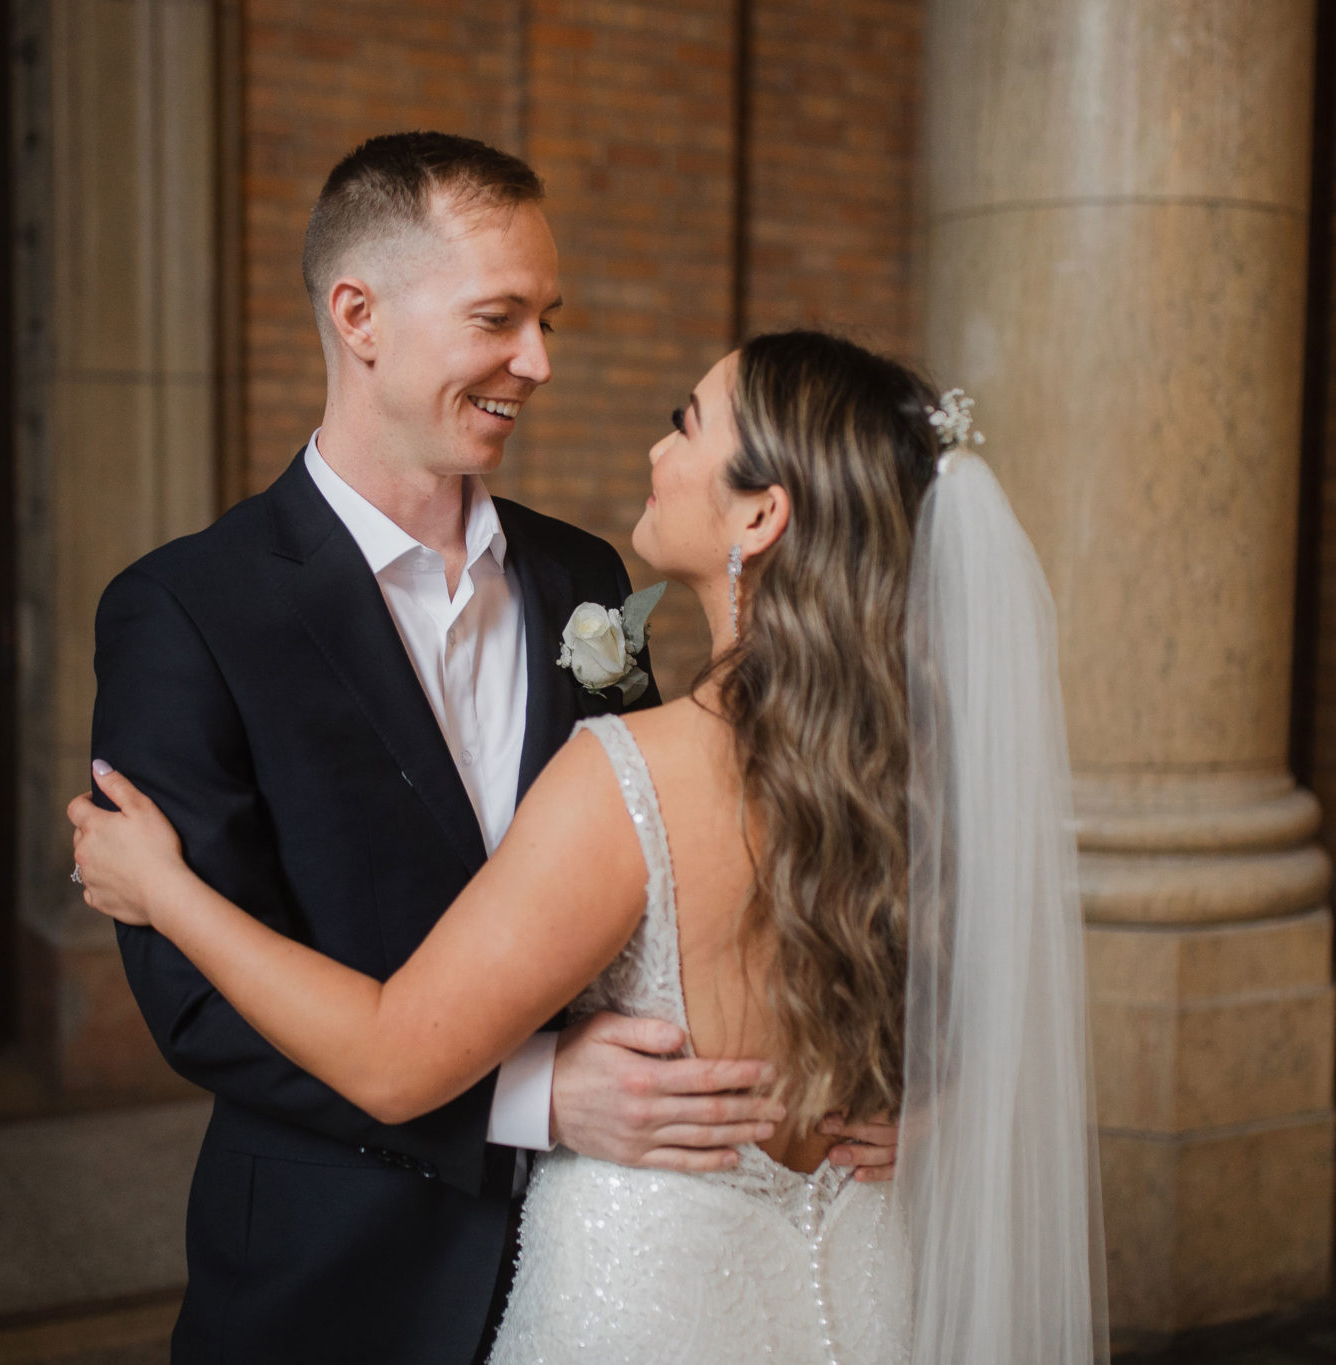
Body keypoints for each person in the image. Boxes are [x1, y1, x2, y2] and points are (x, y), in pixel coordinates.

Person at [72, 331, 1109, 1363]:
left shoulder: (625, 772)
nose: (655, 454)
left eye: (684, 426)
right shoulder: (917, 772)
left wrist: (167, 891)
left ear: (761, 511)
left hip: (646, 1305)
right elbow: (983, 1013)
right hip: (855, 1291)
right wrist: (936, 1107)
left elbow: (392, 1062)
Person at [83, 133, 897, 1365]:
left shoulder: (587, 579)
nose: (539, 362)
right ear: (358, 316)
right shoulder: (188, 609)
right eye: (498, 319)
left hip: (625, 1264)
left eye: (545, 319)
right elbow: (193, 1005)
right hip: (336, 1271)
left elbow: (696, 872)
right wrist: (531, 1096)